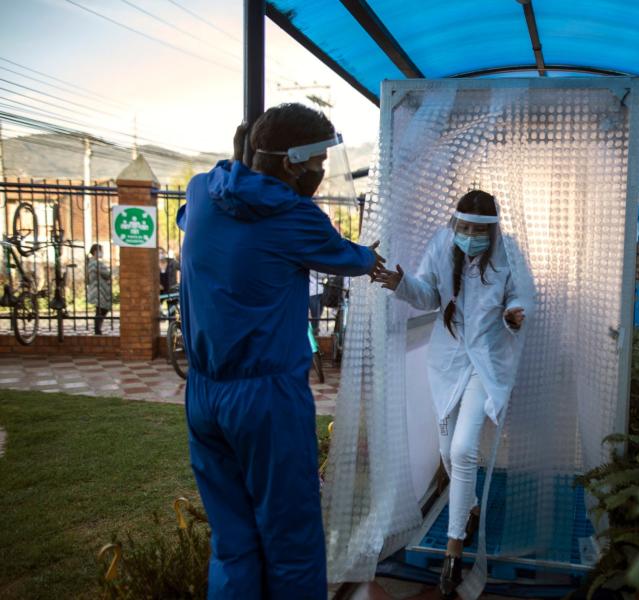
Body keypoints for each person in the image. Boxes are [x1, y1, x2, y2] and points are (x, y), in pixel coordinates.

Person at [177, 103, 386, 599]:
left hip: (204, 395)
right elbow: (356, 259)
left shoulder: (202, 192)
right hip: (266, 399)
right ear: (294, 163)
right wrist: (374, 253)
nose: (320, 173)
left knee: (233, 539)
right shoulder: (295, 216)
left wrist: (238, 165)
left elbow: (194, 216)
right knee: (290, 537)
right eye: (318, 163)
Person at [373, 190, 535, 598]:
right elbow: (428, 295)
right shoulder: (442, 245)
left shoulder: (508, 252)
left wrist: (516, 313)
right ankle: (472, 505)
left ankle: (453, 550)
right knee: (449, 453)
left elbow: (520, 295)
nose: (470, 236)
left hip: (488, 359)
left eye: (479, 230)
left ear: (492, 229)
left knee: (463, 451)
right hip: (446, 361)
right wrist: (400, 283)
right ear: (455, 224)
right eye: (464, 228)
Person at [85, 244, 112, 335]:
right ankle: (97, 330)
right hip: (99, 289)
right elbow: (107, 274)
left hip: (97, 289)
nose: (102, 253)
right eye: (101, 251)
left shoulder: (91, 263)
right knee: (101, 309)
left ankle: (98, 329)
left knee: (101, 309)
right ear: (96, 251)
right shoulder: (96, 263)